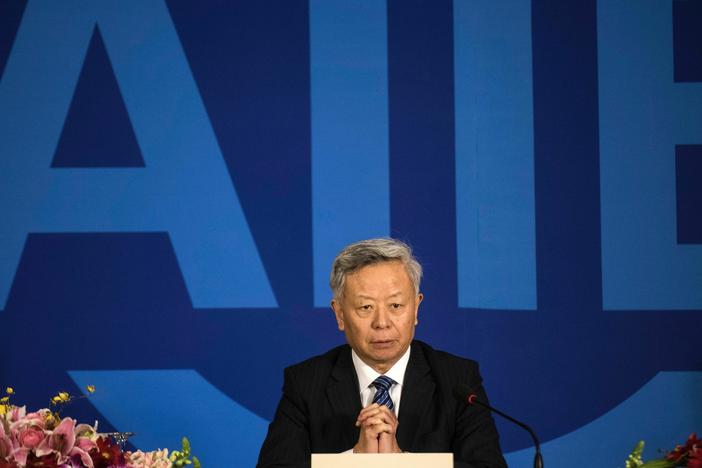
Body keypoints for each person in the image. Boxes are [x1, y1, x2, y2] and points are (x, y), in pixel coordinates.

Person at [257, 238, 507, 468]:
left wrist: (401, 463)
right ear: (340, 314)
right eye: (366, 307)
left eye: (396, 306)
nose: (382, 322)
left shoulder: (458, 381)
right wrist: (355, 460)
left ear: (417, 308)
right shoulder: (306, 383)